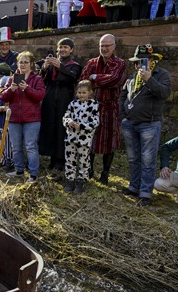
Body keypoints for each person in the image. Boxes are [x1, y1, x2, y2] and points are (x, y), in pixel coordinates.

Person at [119, 44, 172, 206]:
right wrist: (123, 116)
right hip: (130, 123)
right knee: (133, 158)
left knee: (148, 160)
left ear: (152, 61)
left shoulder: (162, 75)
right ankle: (134, 187)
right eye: (136, 62)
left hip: (149, 124)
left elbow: (164, 93)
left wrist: (149, 79)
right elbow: (123, 96)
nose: (138, 65)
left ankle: (145, 193)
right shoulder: (132, 77)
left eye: (143, 61)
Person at [80, 33, 127, 185]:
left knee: (110, 140)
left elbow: (115, 79)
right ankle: (89, 169)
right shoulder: (92, 62)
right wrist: (97, 79)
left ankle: (105, 173)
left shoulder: (119, 63)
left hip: (110, 107)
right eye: (102, 46)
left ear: (114, 46)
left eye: (107, 46)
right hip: (92, 106)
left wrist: (95, 78)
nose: (104, 48)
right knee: (90, 138)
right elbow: (83, 81)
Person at [0, 51, 46, 183]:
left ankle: (33, 174)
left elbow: (40, 96)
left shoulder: (37, 79)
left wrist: (27, 88)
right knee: (16, 146)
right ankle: (19, 170)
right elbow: (3, 96)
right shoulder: (12, 78)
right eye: (21, 62)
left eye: (26, 62)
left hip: (32, 119)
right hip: (14, 118)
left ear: (31, 64)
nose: (23, 64)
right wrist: (11, 89)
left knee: (31, 146)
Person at [38, 38, 82, 172]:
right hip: (50, 99)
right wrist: (44, 69)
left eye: (66, 47)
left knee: (62, 130)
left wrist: (60, 67)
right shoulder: (50, 64)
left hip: (65, 100)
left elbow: (72, 78)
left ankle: (61, 160)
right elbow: (42, 81)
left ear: (71, 50)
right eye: (60, 47)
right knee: (50, 127)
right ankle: (52, 157)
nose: (62, 50)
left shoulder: (75, 65)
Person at [62, 80, 100, 194]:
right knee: (70, 159)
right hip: (71, 137)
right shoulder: (73, 104)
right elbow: (65, 116)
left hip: (85, 138)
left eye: (84, 92)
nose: (81, 95)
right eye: (79, 92)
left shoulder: (93, 104)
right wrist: (69, 122)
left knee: (83, 161)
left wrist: (82, 126)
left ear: (90, 92)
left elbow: (96, 121)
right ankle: (70, 180)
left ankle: (81, 181)